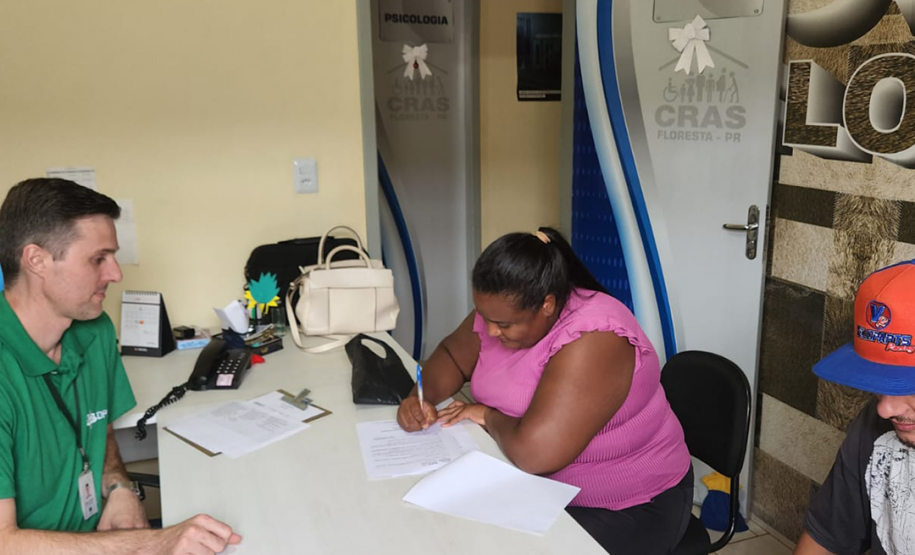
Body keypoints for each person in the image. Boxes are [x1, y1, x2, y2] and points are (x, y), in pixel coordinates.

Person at [396, 227, 693, 555]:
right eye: (484, 317)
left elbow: (537, 454)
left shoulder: (596, 337)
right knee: (437, 532)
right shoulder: (503, 310)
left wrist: (487, 415)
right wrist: (420, 398)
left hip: (630, 506)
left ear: (547, 305)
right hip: (537, 488)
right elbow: (452, 356)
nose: (489, 331)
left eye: (504, 325)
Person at [0, 178, 241, 554]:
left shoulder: (94, 330)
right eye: (98, 259)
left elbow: (99, 427)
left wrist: (119, 485)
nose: (116, 273)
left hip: (98, 536)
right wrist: (151, 543)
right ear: (36, 260)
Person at [794, 260, 915, 555]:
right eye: (879, 382)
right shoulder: (877, 427)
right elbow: (826, 539)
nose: (885, 409)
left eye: (909, 385)